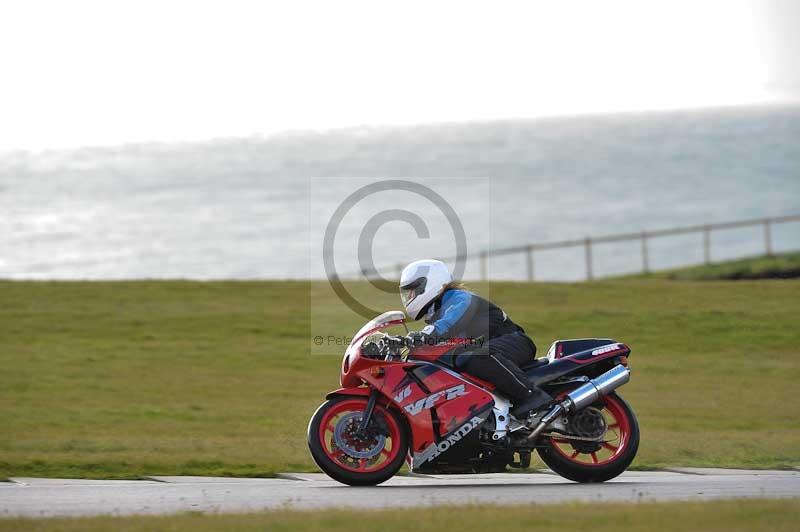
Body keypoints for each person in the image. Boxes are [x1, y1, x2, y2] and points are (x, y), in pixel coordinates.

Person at [399, 259, 553, 417]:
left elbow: (449, 321)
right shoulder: (437, 313)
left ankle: (533, 396)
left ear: (430, 282)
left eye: (413, 290)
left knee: (476, 355)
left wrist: (424, 335)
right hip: (496, 349)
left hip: (515, 341)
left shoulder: (458, 297)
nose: (410, 296)